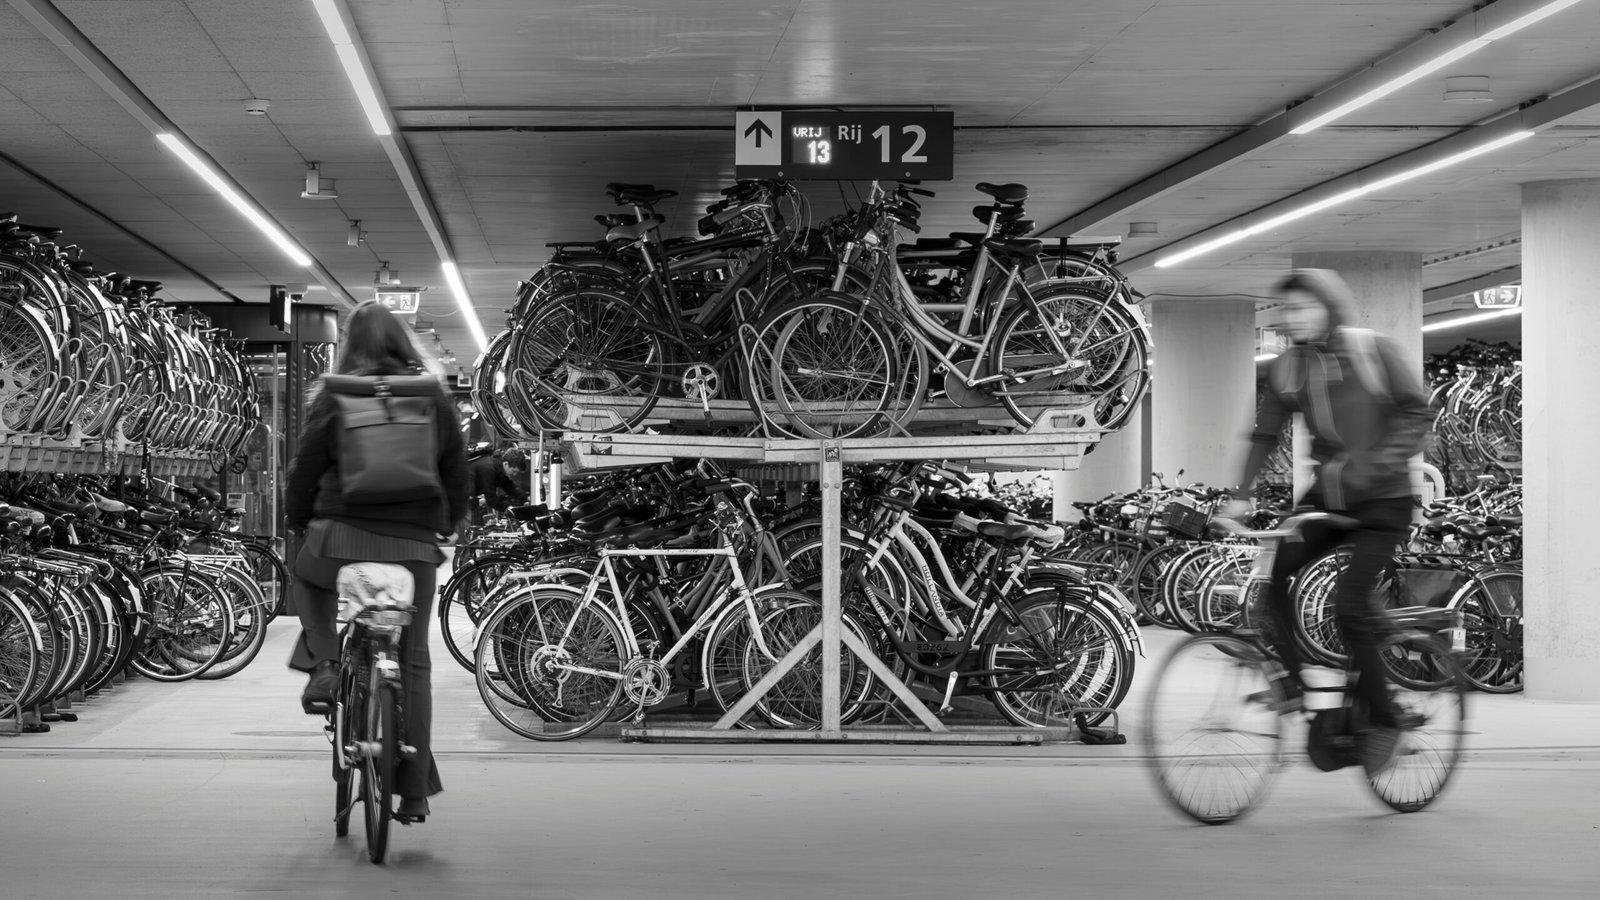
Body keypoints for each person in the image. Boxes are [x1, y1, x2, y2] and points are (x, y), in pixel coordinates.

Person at [1225, 268, 1433, 776]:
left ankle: (1384, 719)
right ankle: (1295, 686)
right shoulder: (1288, 368)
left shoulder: (1372, 351)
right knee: (1270, 581)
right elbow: (1264, 433)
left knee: (1349, 605)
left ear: (1328, 307)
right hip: (1330, 498)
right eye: (1287, 310)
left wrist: (1377, 464)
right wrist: (1238, 497)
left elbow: (1415, 412)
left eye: (1303, 308)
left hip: (1384, 500)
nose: (1293, 318)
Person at [285, 301, 469, 821]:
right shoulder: (431, 395)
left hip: (338, 538)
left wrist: (302, 521)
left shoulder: (337, 394)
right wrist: (447, 524)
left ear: (351, 343)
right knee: (413, 662)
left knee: (309, 581)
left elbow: (305, 470)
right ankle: (412, 795)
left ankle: (323, 665)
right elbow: (455, 470)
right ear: (403, 340)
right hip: (413, 549)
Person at [470, 445, 529, 520]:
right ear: (506, 464)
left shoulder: (500, 467)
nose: (514, 475)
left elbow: (509, 487)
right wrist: (510, 509)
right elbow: (491, 499)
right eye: (514, 471)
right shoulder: (489, 469)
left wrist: (525, 498)